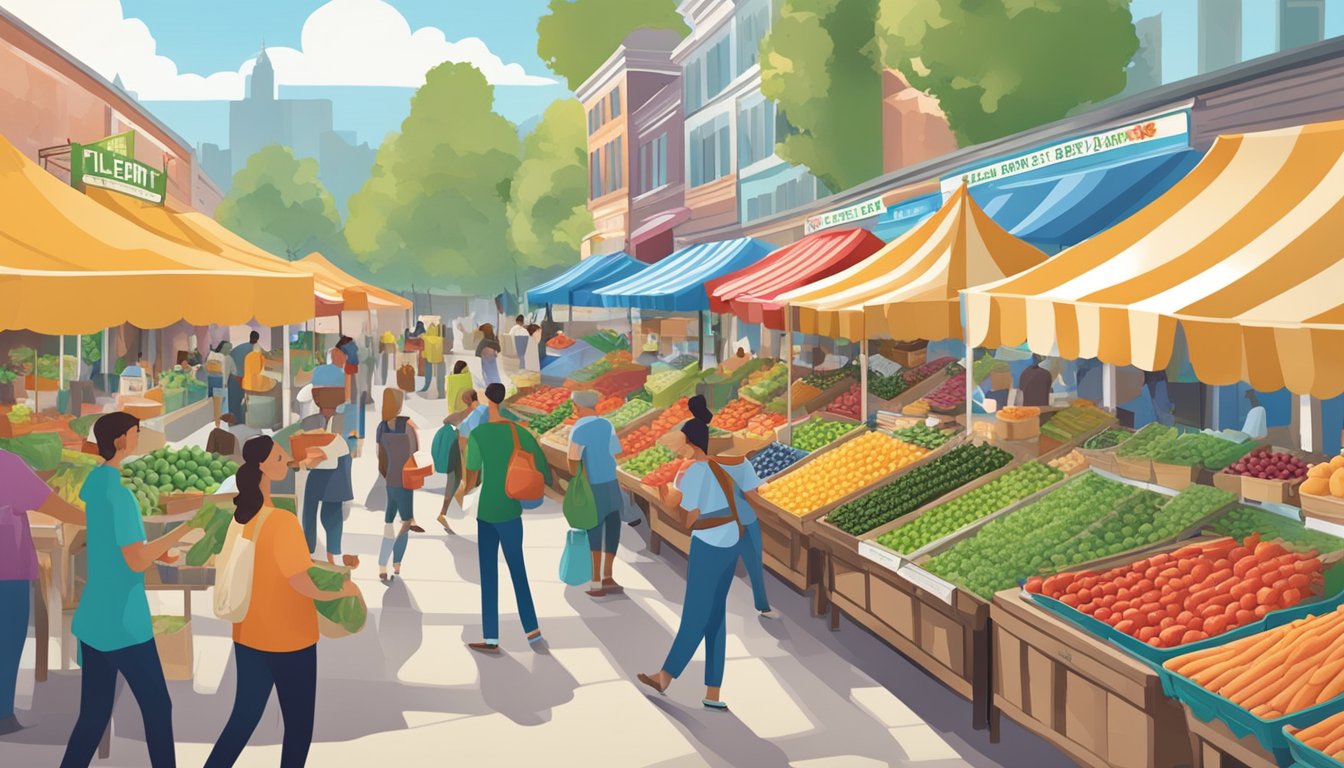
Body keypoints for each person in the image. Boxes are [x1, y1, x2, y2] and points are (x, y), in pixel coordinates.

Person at [204, 436, 358, 768]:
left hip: (248, 635)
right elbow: (300, 582)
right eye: (278, 456)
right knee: (299, 726)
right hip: (290, 639)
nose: (285, 459)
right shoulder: (282, 521)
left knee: (243, 718)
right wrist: (340, 592)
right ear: (262, 466)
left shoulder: (242, 519)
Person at [61, 413, 193, 768]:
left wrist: (150, 549)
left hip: (94, 617)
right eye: (135, 432)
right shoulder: (121, 497)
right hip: (124, 622)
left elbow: (113, 546)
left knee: (93, 715)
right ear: (121, 440)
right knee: (157, 706)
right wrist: (181, 531)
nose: (138, 437)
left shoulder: (97, 483)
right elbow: (135, 560)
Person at [637, 396, 766, 711]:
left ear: (691, 444)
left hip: (708, 543)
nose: (679, 450)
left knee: (696, 613)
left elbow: (689, 517)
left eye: (682, 445)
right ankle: (713, 690)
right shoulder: (718, 466)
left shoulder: (693, 472)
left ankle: (666, 674)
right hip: (730, 540)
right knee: (715, 616)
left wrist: (667, 496)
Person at [1, 449, 86, 736]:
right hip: (6, 572)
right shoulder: (7, 464)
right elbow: (55, 508)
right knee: (6, 644)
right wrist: (99, 517)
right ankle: (1, 716)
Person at [461, 383, 550, 653]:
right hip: (511, 510)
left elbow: (472, 468)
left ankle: (491, 637)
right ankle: (532, 631)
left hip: (487, 511)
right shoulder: (518, 432)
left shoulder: (479, 434)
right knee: (518, 570)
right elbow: (543, 468)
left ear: (487, 399)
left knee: (488, 574)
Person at [301, 355, 358, 568]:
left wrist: (313, 455)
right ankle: (310, 551)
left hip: (336, 471)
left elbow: (347, 445)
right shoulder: (312, 420)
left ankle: (332, 556)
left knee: (330, 513)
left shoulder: (345, 419)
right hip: (321, 470)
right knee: (312, 510)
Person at [567, 390, 625, 598]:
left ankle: (596, 581)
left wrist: (576, 476)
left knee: (594, 530)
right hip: (611, 483)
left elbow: (573, 459)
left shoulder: (579, 428)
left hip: (592, 487)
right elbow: (616, 452)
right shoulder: (606, 424)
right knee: (612, 529)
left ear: (581, 407)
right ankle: (608, 576)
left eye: (575, 406)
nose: (574, 409)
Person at [376, 389, 423, 583]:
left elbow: (380, 454)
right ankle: (396, 563)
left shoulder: (381, 427)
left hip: (391, 480)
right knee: (405, 522)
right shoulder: (409, 425)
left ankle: (381, 566)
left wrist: (387, 474)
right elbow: (416, 451)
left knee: (388, 522)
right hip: (406, 480)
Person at [431, 416, 462, 534]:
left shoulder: (470, 412)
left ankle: (444, 513)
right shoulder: (471, 412)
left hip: (460, 447)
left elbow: (447, 421)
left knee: (454, 481)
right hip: (460, 448)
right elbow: (447, 421)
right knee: (455, 480)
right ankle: (444, 513)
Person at [228, 331, 260, 424]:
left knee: (234, 406)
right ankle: (241, 424)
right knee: (245, 406)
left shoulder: (238, 348)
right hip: (242, 380)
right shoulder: (256, 350)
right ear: (257, 339)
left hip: (233, 379)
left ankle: (235, 424)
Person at [205, 341, 235, 427]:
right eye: (228, 349)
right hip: (221, 386)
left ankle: (216, 426)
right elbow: (234, 372)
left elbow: (206, 369)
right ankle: (219, 427)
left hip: (212, 384)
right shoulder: (228, 359)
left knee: (214, 410)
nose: (229, 350)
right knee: (222, 410)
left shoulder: (211, 356)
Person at [419, 324, 445, 397]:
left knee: (428, 374)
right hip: (438, 359)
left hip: (428, 358)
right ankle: (440, 393)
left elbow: (420, 336)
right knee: (440, 377)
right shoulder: (440, 338)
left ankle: (427, 387)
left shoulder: (426, 338)